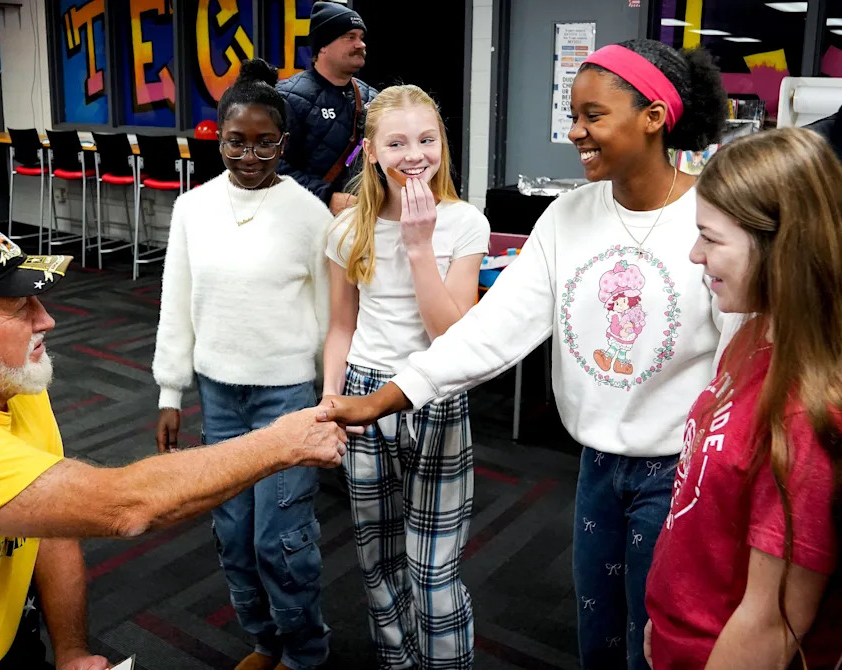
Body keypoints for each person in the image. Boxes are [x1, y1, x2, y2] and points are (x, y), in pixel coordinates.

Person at [317, 40, 735, 670]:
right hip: (597, 466)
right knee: (599, 632)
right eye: (574, 115)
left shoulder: (714, 215)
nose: (574, 132)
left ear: (653, 117)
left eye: (592, 116)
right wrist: (383, 398)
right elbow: (494, 330)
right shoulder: (568, 216)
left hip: (682, 469)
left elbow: (745, 355)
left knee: (662, 636)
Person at [0, 221, 346, 670]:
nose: (47, 319)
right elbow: (125, 505)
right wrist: (282, 442)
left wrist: (71, 651)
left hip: (11, 640)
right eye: (20, 306)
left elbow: (52, 524)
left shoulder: (5, 380)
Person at [153, 59, 333, 670]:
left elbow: (332, 315)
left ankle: (305, 653)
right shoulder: (192, 209)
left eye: (264, 142)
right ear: (219, 138)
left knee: (278, 539)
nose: (249, 155)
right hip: (218, 395)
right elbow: (176, 302)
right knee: (231, 534)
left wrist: (325, 401)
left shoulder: (311, 215)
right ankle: (264, 641)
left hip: (286, 396)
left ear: (284, 143)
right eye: (236, 141)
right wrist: (170, 392)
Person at [643, 128, 842, 669]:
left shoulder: (805, 414)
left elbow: (772, 624)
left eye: (711, 237)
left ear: (781, 247)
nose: (694, 254)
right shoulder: (755, 335)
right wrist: (663, 618)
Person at [323, 84, 490, 669]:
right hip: (364, 391)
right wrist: (330, 399)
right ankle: (397, 662)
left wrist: (420, 248)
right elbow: (341, 329)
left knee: (432, 570)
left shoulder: (464, 223)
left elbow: (454, 338)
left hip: (435, 390)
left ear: (443, 143)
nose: (413, 153)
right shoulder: (347, 231)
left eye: (427, 139)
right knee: (376, 555)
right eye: (396, 142)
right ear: (371, 151)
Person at [276, 1, 378, 216]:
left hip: (361, 225)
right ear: (322, 46)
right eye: (350, 37)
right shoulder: (287, 97)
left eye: (361, 37)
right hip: (306, 223)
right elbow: (272, 169)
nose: (361, 44)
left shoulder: (373, 98)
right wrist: (326, 196)